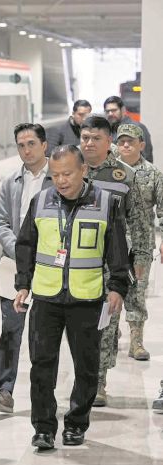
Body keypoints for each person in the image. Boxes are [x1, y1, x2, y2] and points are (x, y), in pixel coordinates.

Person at [14, 144, 129, 450]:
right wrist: (22, 284)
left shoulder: (106, 203)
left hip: (87, 299)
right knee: (41, 366)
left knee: (87, 368)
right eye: (55, 175)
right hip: (46, 299)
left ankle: (76, 423)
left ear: (83, 170)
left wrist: (117, 286)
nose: (61, 180)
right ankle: (43, 427)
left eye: (67, 173)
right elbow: (26, 244)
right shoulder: (41, 201)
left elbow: (117, 249)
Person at [79, 115, 152, 406]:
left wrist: (142, 255)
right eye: (85, 137)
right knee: (80, 325)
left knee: (106, 324)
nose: (89, 143)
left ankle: (98, 382)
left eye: (96, 138)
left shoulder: (124, 175)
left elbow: (138, 219)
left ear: (109, 141)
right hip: (76, 264)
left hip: (112, 263)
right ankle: (84, 376)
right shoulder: (69, 169)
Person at [0, 123, 52, 414]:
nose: (26, 150)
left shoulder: (57, 178)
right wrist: (20, 251)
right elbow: (0, 222)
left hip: (50, 266)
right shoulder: (10, 181)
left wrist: (40, 254)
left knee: (44, 334)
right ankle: (4, 391)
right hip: (14, 265)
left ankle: (43, 393)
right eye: (21, 145)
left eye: (31, 144)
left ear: (44, 145)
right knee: (10, 330)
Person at [115, 123, 163, 360]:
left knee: (137, 293)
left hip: (141, 244)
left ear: (141, 145)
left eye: (130, 142)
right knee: (109, 293)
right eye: (121, 141)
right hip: (112, 243)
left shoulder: (153, 173)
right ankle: (110, 337)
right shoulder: (108, 169)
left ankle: (136, 341)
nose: (125, 145)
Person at [104, 96, 153, 162]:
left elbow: (146, 156)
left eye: (114, 110)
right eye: (107, 111)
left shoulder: (137, 127)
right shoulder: (107, 130)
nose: (110, 114)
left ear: (123, 110)